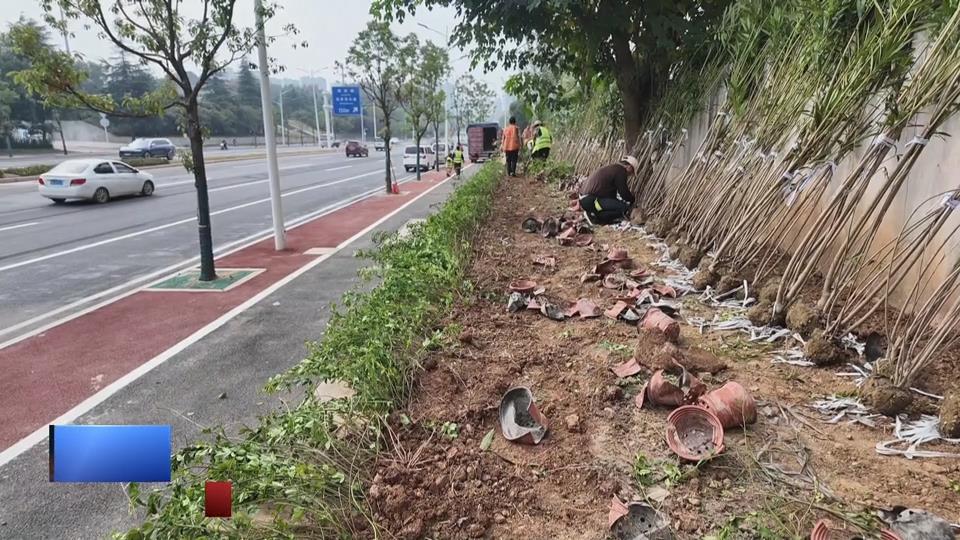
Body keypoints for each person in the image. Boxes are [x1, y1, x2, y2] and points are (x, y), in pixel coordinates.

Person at [579, 156, 639, 225]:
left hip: (585, 199)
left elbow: (611, 196)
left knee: (616, 205)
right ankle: (594, 216)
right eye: (631, 172)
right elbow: (624, 193)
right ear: (629, 167)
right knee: (624, 208)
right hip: (592, 200)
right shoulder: (621, 171)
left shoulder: (612, 169)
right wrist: (632, 200)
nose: (629, 175)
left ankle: (596, 216)